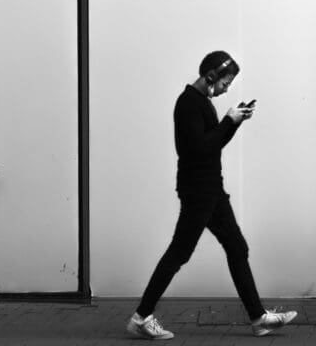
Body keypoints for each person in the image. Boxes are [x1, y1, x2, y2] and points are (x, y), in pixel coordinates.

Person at [127, 50, 298, 342]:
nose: (226, 89)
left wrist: (235, 121)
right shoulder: (188, 104)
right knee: (179, 253)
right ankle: (141, 318)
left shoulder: (201, 103)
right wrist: (229, 122)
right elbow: (198, 149)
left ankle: (258, 318)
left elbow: (213, 144)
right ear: (210, 77)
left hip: (211, 190)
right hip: (198, 191)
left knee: (237, 247)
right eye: (225, 83)